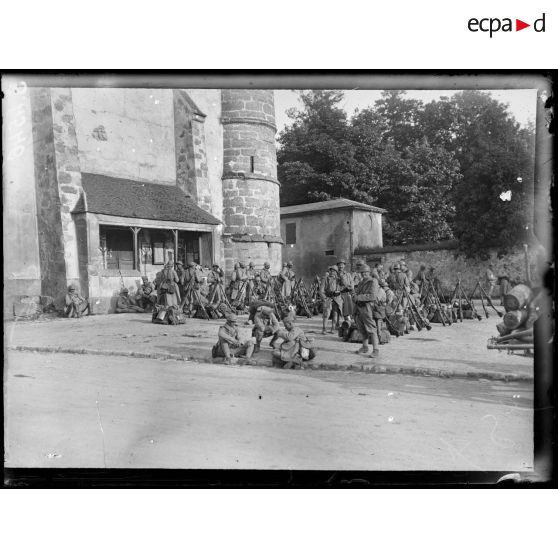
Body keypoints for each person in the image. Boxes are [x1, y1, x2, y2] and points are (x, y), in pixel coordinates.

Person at [352, 264, 380, 358]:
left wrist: (358, 297)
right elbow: (356, 293)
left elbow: (372, 296)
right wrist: (354, 296)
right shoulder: (361, 282)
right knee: (362, 329)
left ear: (369, 272)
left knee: (371, 329)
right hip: (359, 308)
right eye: (362, 273)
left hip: (368, 308)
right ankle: (365, 347)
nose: (364, 274)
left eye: (365, 272)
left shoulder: (373, 281)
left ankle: (376, 350)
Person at [320, 264, 343, 335]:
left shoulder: (339, 280)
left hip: (337, 298)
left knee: (335, 314)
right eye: (331, 271)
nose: (333, 272)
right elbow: (321, 291)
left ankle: (333, 328)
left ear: (336, 272)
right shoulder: (325, 279)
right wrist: (324, 298)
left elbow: (344, 286)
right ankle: (324, 329)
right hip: (328, 298)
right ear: (329, 271)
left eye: (334, 271)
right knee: (326, 314)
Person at [336, 259, 354, 325]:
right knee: (337, 310)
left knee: (346, 310)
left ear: (344, 266)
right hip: (337, 294)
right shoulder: (335, 274)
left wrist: (350, 287)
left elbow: (351, 282)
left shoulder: (348, 274)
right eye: (339, 265)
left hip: (346, 293)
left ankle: (348, 324)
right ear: (337, 266)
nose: (341, 266)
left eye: (342, 265)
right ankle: (336, 324)